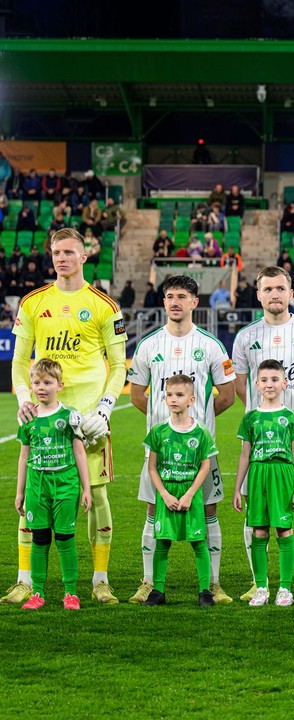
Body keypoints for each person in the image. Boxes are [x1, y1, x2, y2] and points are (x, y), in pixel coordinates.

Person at [2, 228, 127, 606]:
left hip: (89, 421)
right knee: (33, 498)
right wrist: (25, 396)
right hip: (43, 417)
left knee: (98, 496)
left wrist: (105, 408)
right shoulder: (33, 302)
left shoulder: (105, 305)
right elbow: (20, 361)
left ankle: (100, 580)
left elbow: (119, 365)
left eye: (70, 252)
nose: (62, 258)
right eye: (57, 252)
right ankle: (25, 580)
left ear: (85, 255)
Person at [126, 275, 236, 605]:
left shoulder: (211, 346)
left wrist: (193, 427)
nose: (175, 301)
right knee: (151, 512)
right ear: (163, 302)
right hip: (159, 452)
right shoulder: (148, 346)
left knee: (209, 512)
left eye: (182, 296)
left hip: (201, 452)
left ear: (194, 302)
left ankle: (213, 584)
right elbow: (136, 396)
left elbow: (228, 396)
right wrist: (167, 431)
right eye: (170, 296)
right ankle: (148, 583)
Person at [232, 266, 294, 602]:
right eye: (267, 289)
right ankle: (257, 581)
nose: (274, 294)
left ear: (291, 293)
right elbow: (240, 384)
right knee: (255, 509)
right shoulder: (245, 337)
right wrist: (266, 415)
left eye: (280, 288)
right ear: (258, 295)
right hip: (260, 441)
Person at [14, 359, 91, 610]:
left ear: (60, 385)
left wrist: (86, 488)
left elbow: (79, 452)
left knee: (66, 537)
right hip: (37, 484)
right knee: (40, 537)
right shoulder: (28, 418)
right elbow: (24, 456)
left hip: (66, 482)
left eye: (47, 382)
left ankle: (71, 593)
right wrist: (20, 492)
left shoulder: (69, 415)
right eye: (36, 382)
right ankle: (37, 593)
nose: (41, 387)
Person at [141, 375, 219, 607]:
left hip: (189, 494)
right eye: (169, 395)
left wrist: (189, 494)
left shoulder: (201, 432)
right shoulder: (159, 432)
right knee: (162, 542)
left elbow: (205, 465)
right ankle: (158, 591)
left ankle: (205, 591)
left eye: (179, 395)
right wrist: (164, 494)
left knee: (199, 542)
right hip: (167, 492)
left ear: (192, 399)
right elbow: (152, 467)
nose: (173, 399)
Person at [232, 360, 294, 607]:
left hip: (282, 474)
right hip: (257, 475)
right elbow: (245, 455)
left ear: (284, 383)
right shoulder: (251, 417)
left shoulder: (290, 417)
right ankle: (261, 587)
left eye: (275, 379)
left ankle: (285, 588)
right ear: (256, 384)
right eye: (264, 380)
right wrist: (237, 487)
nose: (269, 384)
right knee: (259, 531)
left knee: (284, 530)